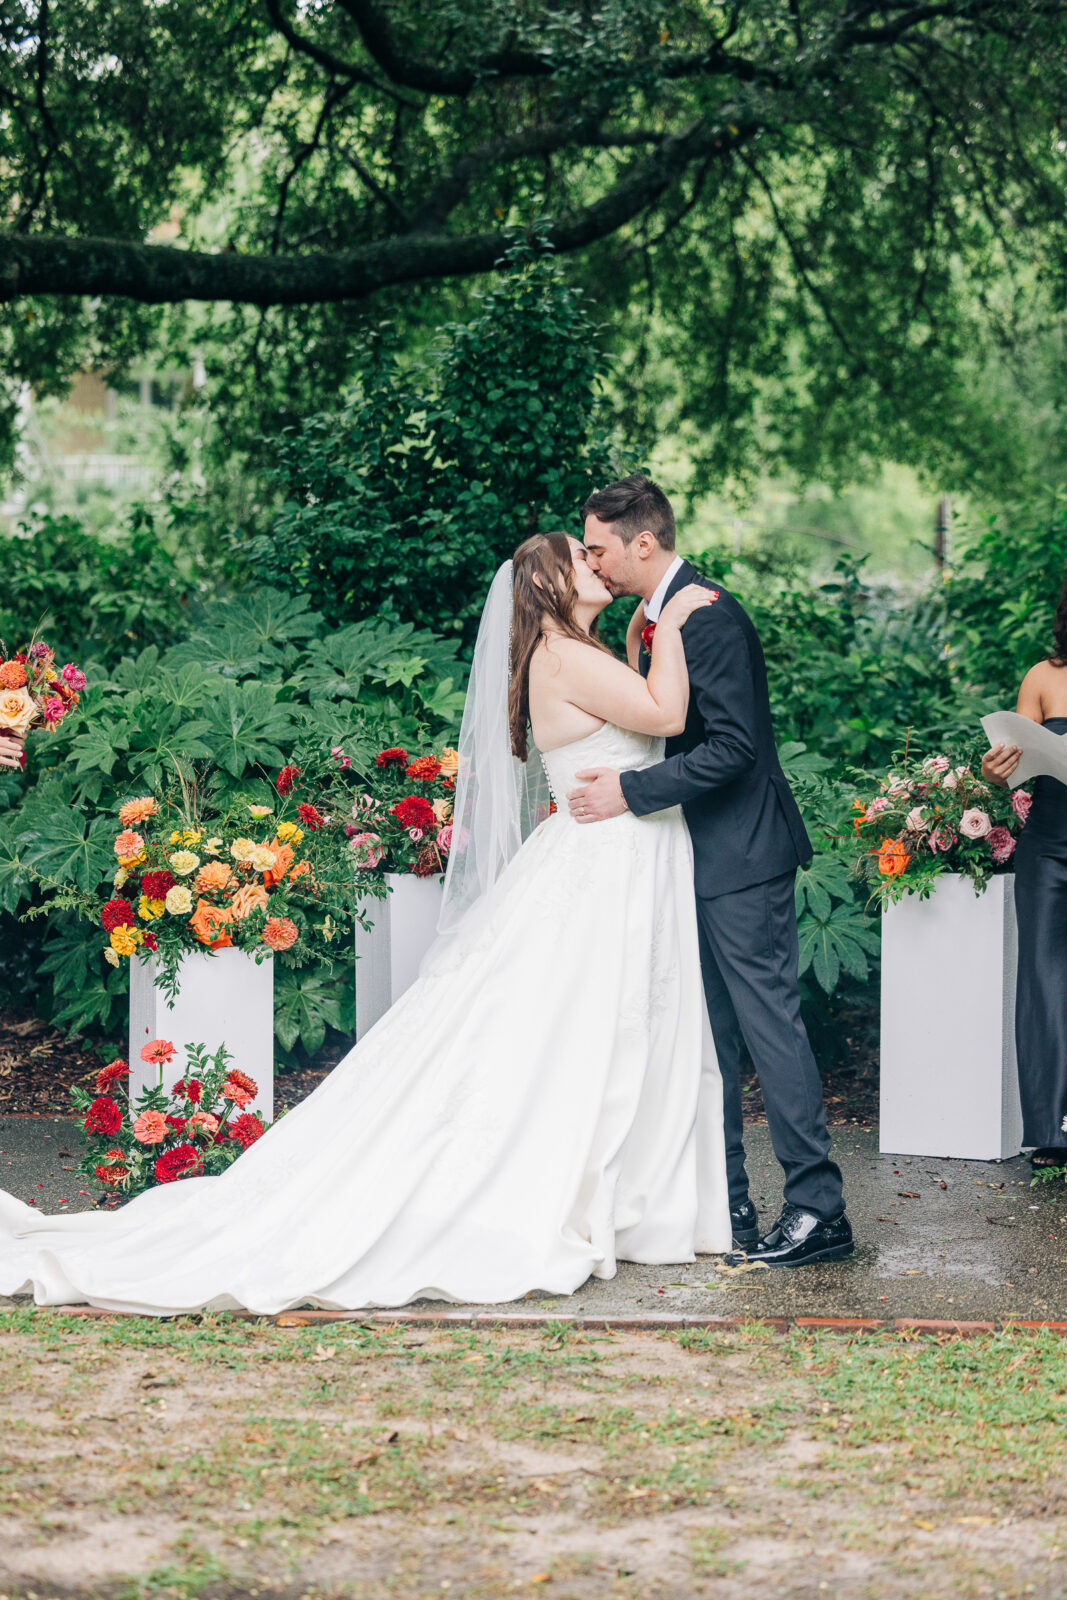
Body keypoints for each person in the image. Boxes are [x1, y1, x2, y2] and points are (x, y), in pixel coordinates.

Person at [0, 533, 733, 1314]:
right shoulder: (561, 653)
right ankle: (591, 1197)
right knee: (580, 1033)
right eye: (579, 558)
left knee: (595, 1031)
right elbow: (666, 711)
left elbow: (631, 715)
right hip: (600, 867)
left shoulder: (569, 651)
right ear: (550, 584)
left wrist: (636, 636)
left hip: (610, 863)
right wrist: (678, 623)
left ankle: (623, 1197)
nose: (596, 563)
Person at [569, 475, 852, 1268]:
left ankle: (817, 1208)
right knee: (709, 1039)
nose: (593, 561)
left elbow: (733, 749)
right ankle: (726, 1198)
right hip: (683, 856)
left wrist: (628, 791)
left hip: (740, 854)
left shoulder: (709, 615)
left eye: (598, 547)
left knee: (770, 1029)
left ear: (643, 542)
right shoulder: (653, 616)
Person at [982, 584, 1067, 1170]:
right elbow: (1011, 775)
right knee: (1042, 983)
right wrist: (995, 771)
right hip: (1049, 852)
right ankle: (1051, 1131)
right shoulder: (1043, 676)